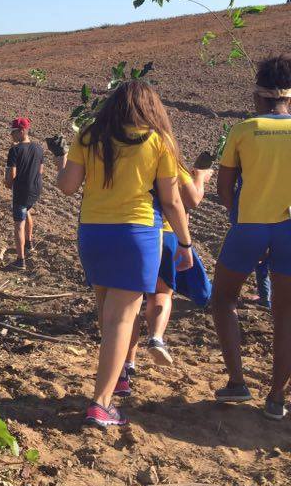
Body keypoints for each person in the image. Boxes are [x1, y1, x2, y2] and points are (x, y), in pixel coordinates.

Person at [50, 80, 193, 428]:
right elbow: (173, 201)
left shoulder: (88, 135)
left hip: (94, 233)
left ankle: (118, 378)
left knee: (108, 316)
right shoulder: (160, 141)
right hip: (137, 234)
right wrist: (186, 245)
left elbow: (67, 187)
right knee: (120, 319)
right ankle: (101, 403)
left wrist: (64, 161)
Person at [211, 54, 291, 420]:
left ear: (258, 97)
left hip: (250, 227)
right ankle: (276, 399)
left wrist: (238, 219)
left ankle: (238, 382)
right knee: (285, 314)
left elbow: (224, 188)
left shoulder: (244, 130)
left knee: (224, 298)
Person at [123, 159, 212, 382]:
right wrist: (200, 176)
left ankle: (127, 363)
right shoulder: (169, 160)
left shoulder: (130, 157)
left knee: (130, 300)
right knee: (161, 293)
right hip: (167, 232)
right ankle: (156, 337)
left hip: (134, 230)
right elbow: (193, 199)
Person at [5, 117, 44, 269]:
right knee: (27, 210)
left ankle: (20, 261)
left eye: (13, 132)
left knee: (18, 225)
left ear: (22, 131)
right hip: (35, 190)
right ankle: (30, 243)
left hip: (21, 191)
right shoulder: (39, 148)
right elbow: (40, 171)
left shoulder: (14, 150)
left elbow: (11, 176)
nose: (11, 135)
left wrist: (7, 183)